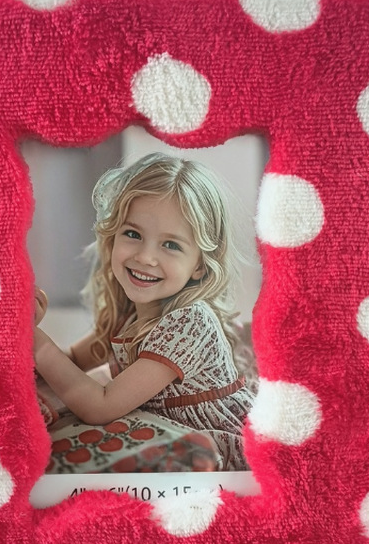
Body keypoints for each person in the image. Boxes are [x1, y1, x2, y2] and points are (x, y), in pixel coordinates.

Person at [33, 152, 253, 471]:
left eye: (171, 245)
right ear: (113, 236)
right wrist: (28, 340)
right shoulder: (131, 313)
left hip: (216, 456)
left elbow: (100, 406)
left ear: (199, 266)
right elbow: (73, 362)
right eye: (133, 234)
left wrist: (35, 340)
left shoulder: (190, 322)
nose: (145, 257)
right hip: (167, 435)